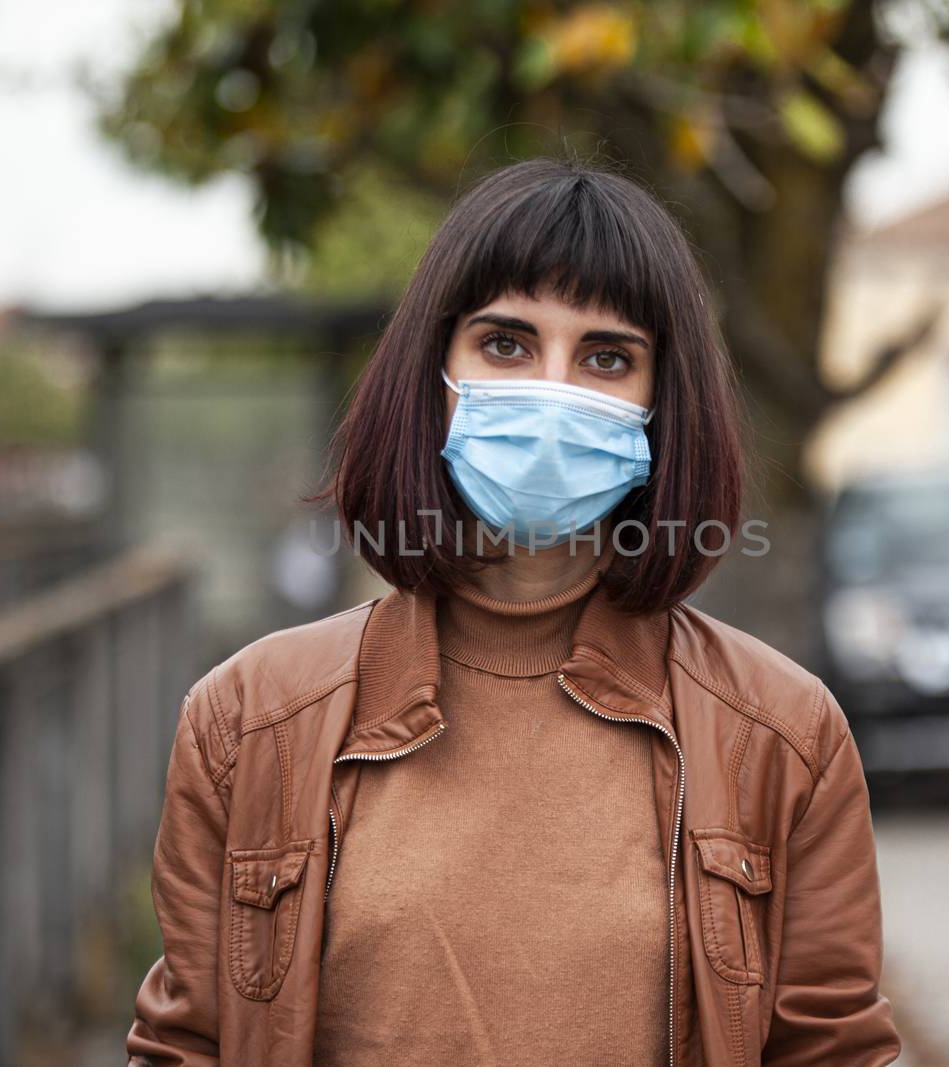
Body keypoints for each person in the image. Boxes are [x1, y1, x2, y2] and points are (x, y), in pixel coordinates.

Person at [127, 156, 900, 1066]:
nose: (553, 390)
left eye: (608, 357)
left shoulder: (783, 735)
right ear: (434, 374)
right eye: (506, 343)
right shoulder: (247, 721)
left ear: (663, 407)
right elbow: (186, 1046)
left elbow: (833, 1053)